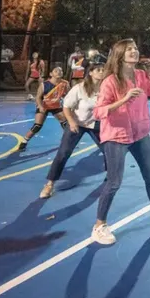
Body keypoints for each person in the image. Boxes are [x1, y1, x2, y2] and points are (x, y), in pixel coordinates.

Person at [91, 39, 150, 245]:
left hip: (140, 134)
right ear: (120, 54)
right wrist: (124, 99)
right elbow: (98, 112)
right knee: (114, 182)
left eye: (136, 48)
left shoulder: (140, 76)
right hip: (117, 136)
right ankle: (99, 226)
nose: (134, 51)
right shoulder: (110, 81)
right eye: (129, 49)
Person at [40, 55, 108, 199]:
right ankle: (50, 184)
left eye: (103, 70)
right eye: (98, 70)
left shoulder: (106, 88)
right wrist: (71, 122)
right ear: (90, 72)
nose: (101, 72)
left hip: (97, 124)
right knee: (63, 152)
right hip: (78, 123)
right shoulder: (80, 88)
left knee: (109, 152)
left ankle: (111, 179)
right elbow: (66, 107)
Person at [19, 66, 70, 151]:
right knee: (37, 126)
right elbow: (38, 97)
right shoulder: (44, 84)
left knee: (66, 124)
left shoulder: (65, 83)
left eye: (60, 71)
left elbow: (68, 96)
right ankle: (24, 141)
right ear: (51, 74)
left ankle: (66, 141)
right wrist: (40, 106)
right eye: (56, 70)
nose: (59, 72)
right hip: (44, 106)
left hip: (56, 106)